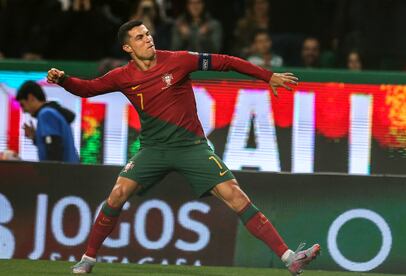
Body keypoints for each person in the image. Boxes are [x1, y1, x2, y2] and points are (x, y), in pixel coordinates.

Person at [47, 20, 320, 275]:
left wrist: (267, 76)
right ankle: (88, 258)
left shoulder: (178, 60)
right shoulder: (123, 76)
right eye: (140, 37)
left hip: (192, 147)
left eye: (148, 34)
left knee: (236, 196)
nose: (148, 39)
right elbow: (88, 89)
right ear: (128, 48)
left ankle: (289, 258)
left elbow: (225, 62)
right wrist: (63, 79)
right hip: (153, 149)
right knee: (118, 193)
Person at [16, 81, 79, 163]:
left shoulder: (46, 114)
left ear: (31, 98)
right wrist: (35, 137)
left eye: (22, 105)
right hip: (68, 171)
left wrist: (48, 174)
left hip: (61, 174)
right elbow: (53, 144)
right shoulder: (54, 113)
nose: (23, 110)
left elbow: (53, 151)